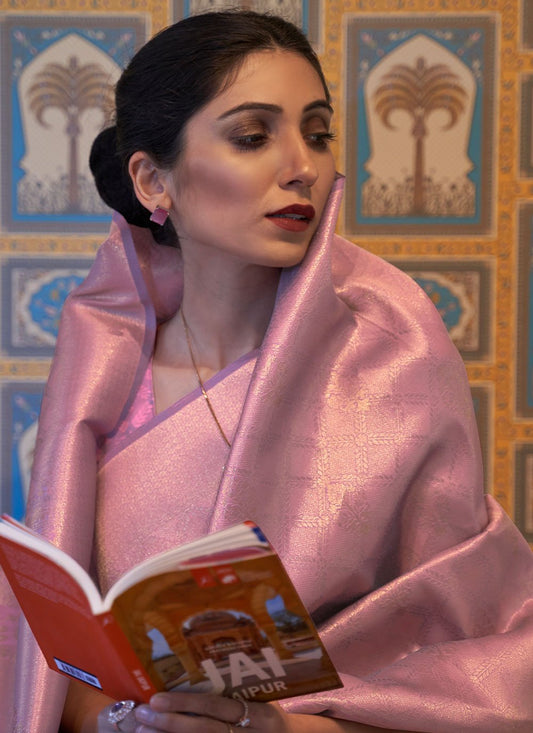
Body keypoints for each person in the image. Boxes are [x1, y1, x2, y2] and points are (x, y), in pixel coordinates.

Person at [1, 9, 532, 733]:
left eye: (317, 133)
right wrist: (120, 719)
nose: (302, 166)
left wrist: (280, 727)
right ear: (153, 181)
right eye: (253, 136)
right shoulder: (104, 370)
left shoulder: (395, 357)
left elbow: (480, 645)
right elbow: (52, 655)